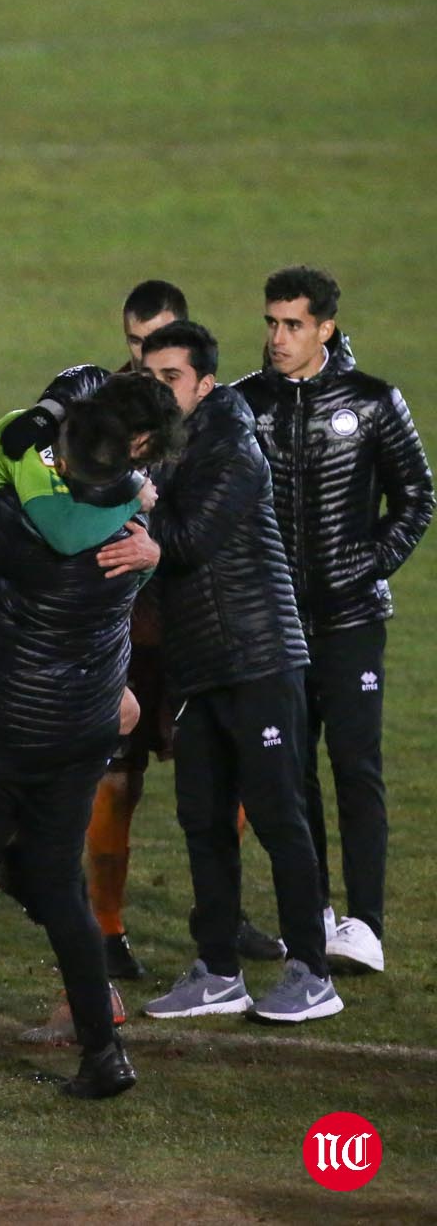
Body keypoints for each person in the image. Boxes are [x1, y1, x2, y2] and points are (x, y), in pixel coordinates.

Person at [0, 374, 183, 1112]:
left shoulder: (12, 525)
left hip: (18, 726)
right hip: (89, 729)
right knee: (54, 880)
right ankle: (103, 1048)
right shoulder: (131, 531)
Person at [129, 323, 340, 1022]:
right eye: (149, 377)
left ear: (205, 383)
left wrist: (147, 506)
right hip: (200, 665)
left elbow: (187, 542)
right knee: (203, 820)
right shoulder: (168, 447)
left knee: (280, 815)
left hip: (258, 658)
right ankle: (218, 969)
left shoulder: (235, 447)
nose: (158, 391)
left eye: (170, 379)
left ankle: (312, 969)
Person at [236, 265, 432, 975]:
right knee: (288, 771)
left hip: (352, 620)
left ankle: (367, 923)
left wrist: (367, 564)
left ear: (325, 327)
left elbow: (418, 497)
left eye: (292, 324)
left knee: (355, 765)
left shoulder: (375, 402)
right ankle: (312, 907)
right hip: (276, 625)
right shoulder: (242, 404)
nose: (277, 337)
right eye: (271, 322)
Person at [91, 279, 188, 980]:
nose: (146, 360)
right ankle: (107, 927)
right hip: (120, 626)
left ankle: (223, 915)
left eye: (160, 345)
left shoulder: (215, 413)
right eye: (135, 344)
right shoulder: (103, 416)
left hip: (189, 625)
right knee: (118, 782)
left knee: (219, 772)